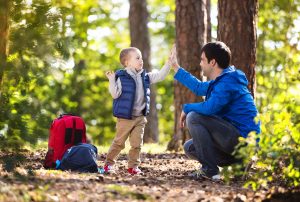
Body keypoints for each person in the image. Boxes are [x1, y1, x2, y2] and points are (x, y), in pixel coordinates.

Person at [170, 41, 260, 180]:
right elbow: (199, 87)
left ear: (212, 62)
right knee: (190, 147)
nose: (200, 64)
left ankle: (210, 171)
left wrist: (187, 108)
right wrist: (176, 67)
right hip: (234, 140)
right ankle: (240, 165)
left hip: (243, 141)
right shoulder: (222, 81)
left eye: (202, 60)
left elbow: (210, 108)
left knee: (194, 117)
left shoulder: (227, 82)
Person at [104, 47, 174, 175]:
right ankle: (108, 164)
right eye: (137, 58)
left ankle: (133, 167)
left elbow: (160, 76)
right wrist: (111, 80)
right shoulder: (121, 77)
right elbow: (115, 94)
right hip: (125, 118)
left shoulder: (145, 77)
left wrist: (169, 63)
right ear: (127, 63)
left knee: (137, 144)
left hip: (139, 118)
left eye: (141, 57)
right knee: (119, 143)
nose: (141, 60)